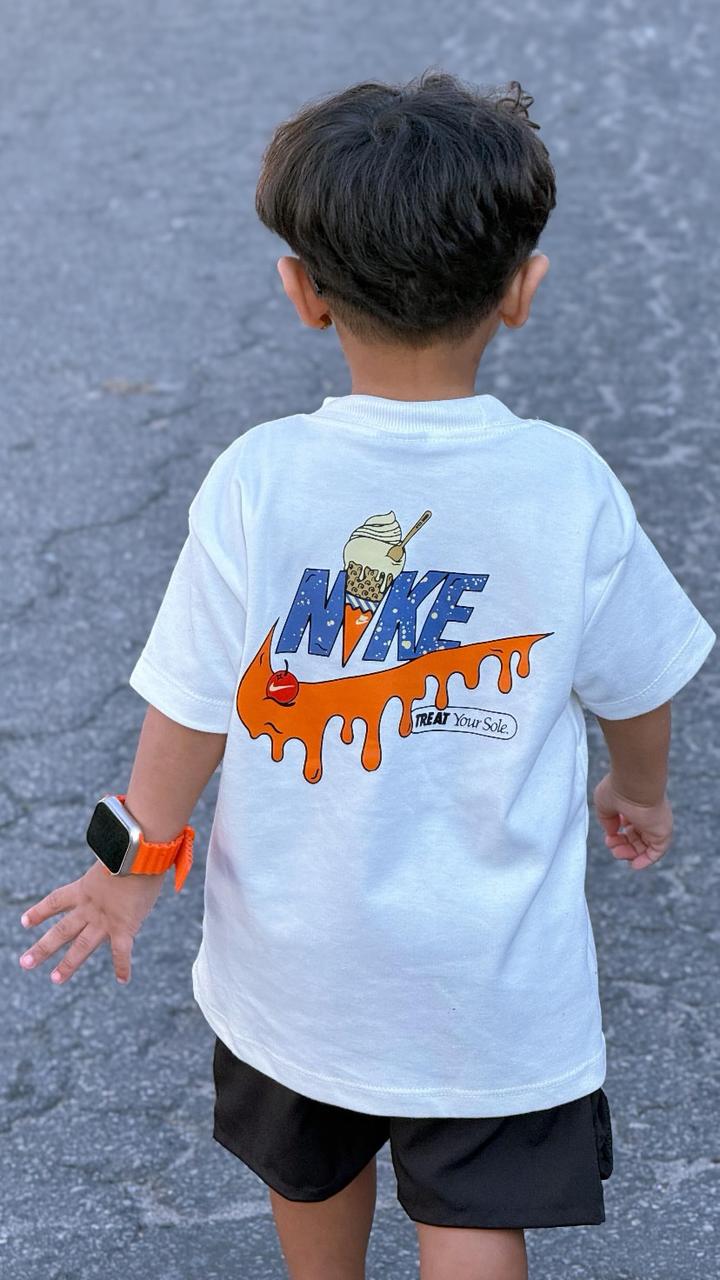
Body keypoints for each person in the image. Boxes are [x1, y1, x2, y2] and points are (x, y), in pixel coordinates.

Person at [18, 71, 716, 1280]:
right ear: (522, 289)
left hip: (298, 963)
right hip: (491, 973)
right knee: (475, 1216)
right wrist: (638, 790)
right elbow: (637, 681)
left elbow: (191, 700)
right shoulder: (566, 483)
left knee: (310, 1165)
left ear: (301, 291)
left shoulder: (259, 476)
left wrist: (130, 865)